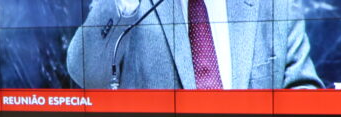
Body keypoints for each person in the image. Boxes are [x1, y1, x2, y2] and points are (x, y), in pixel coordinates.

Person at [67, 0, 322, 90]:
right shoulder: (130, 6)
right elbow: (86, 75)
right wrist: (123, 6)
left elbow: (302, 89)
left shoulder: (276, 4)